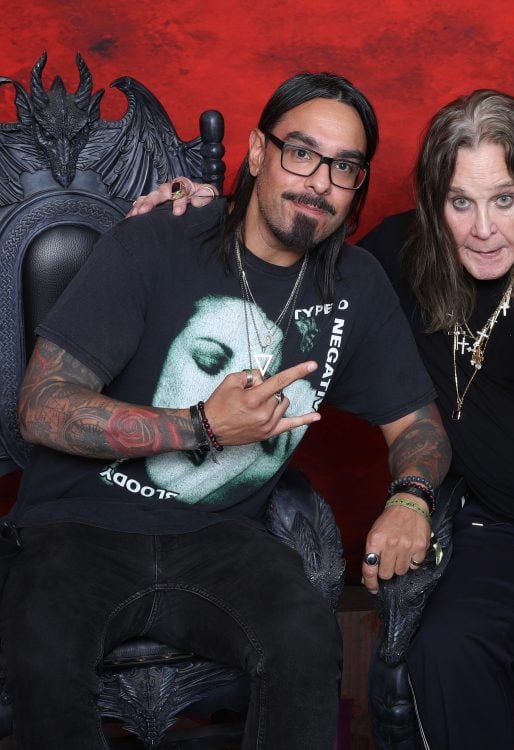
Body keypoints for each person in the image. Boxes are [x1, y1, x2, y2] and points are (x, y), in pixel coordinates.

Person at [141, 89, 514, 748]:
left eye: (504, 200)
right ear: (433, 204)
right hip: (508, 528)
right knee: (446, 657)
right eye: (461, 202)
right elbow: (292, 249)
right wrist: (207, 211)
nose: (483, 229)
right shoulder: (399, 256)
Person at [3, 72, 451, 750]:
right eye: (301, 153)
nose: (319, 182)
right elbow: (40, 407)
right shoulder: (156, 240)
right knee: (43, 657)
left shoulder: (355, 284)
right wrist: (203, 427)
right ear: (258, 151)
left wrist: (411, 497)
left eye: (344, 167)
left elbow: (418, 424)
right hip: (78, 525)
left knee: (306, 641)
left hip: (220, 536)